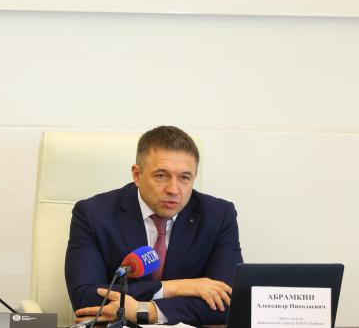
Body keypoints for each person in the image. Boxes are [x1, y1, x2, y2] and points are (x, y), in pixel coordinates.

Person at [65, 126, 243, 326]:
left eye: (184, 178)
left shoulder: (218, 216)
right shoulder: (93, 215)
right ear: (137, 175)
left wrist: (144, 311)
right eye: (161, 175)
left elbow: (230, 302)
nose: (173, 189)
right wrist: (176, 287)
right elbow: (85, 298)